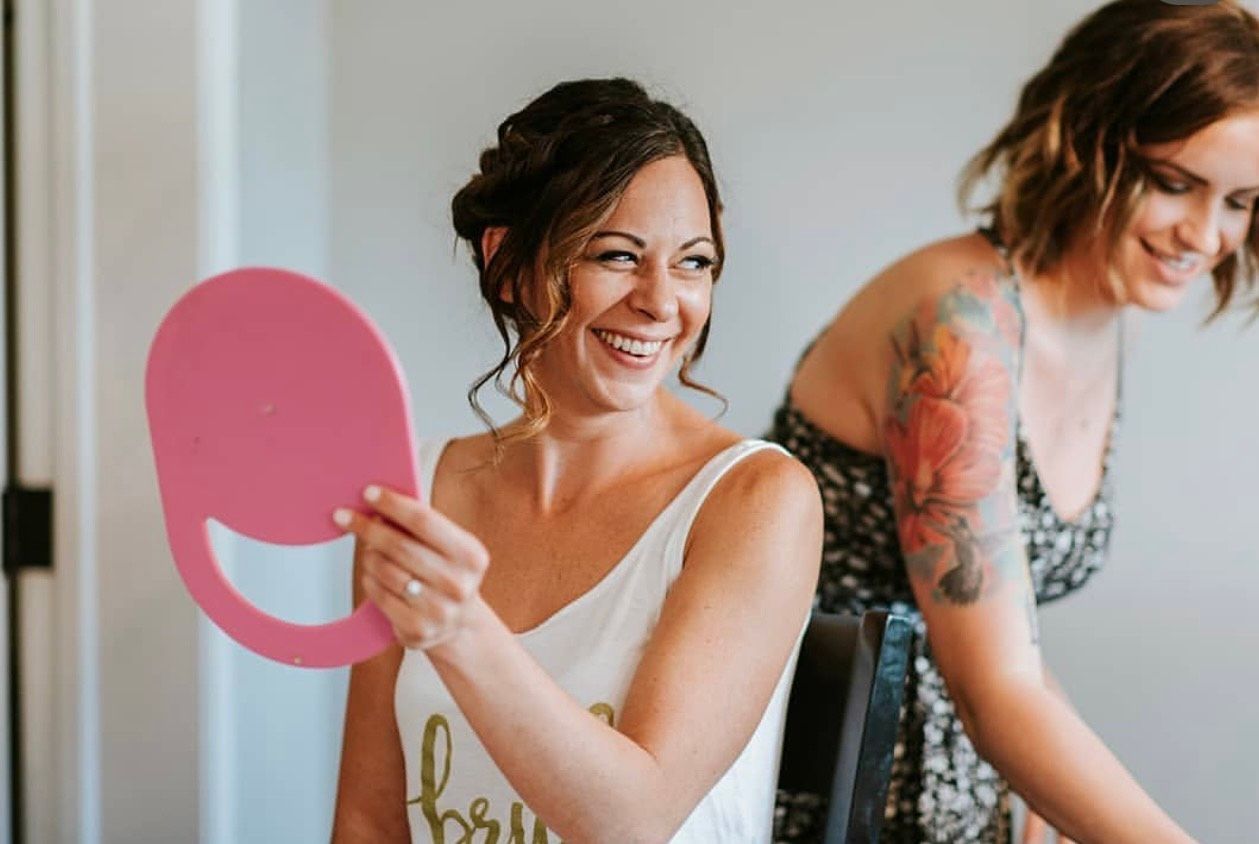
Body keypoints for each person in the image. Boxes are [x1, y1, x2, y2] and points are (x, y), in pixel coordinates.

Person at [767, 1, 1259, 842]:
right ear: (1081, 139)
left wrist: (1041, 813)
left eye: (1240, 202)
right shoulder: (957, 324)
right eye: (1172, 183)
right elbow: (994, 688)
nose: (1203, 235)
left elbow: (1008, 644)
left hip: (967, 792)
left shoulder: (1104, 315)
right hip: (833, 793)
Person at [330, 78, 823, 843]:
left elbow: (634, 820)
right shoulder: (415, 492)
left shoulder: (755, 500)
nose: (661, 303)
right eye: (617, 255)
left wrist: (461, 631)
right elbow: (368, 820)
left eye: (693, 263)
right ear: (508, 265)